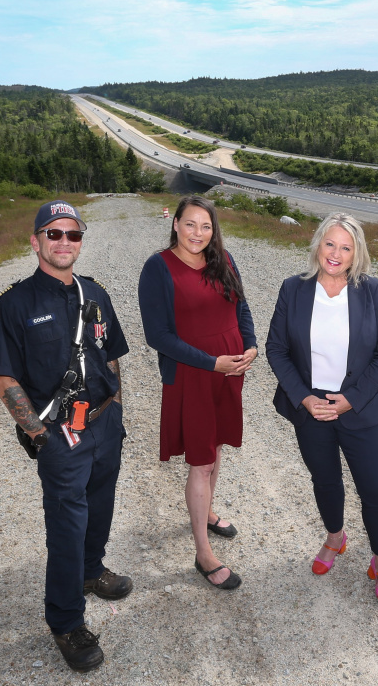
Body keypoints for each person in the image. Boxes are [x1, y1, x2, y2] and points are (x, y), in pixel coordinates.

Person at [0, 200, 132, 673]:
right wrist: (39, 434)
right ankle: (67, 622)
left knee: (101, 508)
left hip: (106, 424)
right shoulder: (12, 304)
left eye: (73, 234)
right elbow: (4, 378)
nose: (64, 242)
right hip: (60, 435)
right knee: (67, 528)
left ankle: (92, 571)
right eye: (54, 234)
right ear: (36, 241)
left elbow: (111, 355)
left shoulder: (96, 292)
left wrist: (117, 410)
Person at [266, 213, 378, 605]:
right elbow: (276, 349)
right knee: (325, 481)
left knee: (376, 489)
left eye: (345, 247)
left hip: (359, 407)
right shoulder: (294, 288)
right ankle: (335, 538)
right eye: (330, 244)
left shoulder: (372, 290)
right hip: (311, 408)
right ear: (317, 244)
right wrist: (305, 398)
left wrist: (351, 399)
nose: (336, 254)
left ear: (356, 252)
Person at [138, 195, 257, 591]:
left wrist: (251, 344)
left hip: (229, 370)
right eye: (190, 224)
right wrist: (211, 363)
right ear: (175, 224)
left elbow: (241, 307)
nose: (198, 234)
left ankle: (205, 512)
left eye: (205, 226)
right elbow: (158, 336)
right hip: (194, 373)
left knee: (216, 446)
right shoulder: (158, 267)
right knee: (201, 460)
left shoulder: (223, 258)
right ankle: (203, 554)